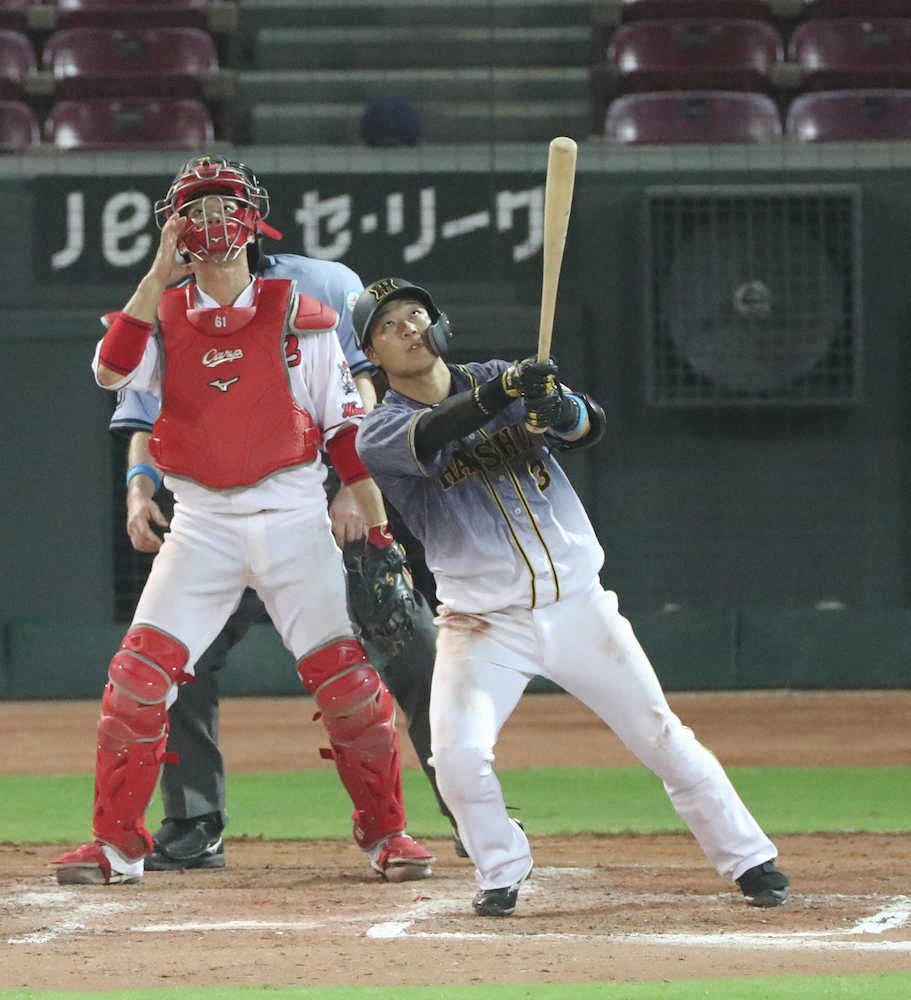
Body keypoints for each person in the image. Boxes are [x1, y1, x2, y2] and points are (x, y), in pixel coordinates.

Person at [351, 277, 791, 917]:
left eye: (416, 314)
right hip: (484, 625)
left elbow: (591, 428)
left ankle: (749, 859)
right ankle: (501, 866)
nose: (408, 328)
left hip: (580, 607)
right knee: (457, 757)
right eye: (388, 325)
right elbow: (434, 434)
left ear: (440, 324)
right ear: (373, 355)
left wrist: (557, 411)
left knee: (661, 734)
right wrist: (503, 395)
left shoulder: (501, 376)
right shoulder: (380, 431)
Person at [52, 158, 435, 887]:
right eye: (193, 210)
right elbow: (109, 371)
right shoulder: (157, 315)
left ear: (255, 217)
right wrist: (158, 273)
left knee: (348, 684)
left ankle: (386, 833)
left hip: (293, 513)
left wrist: (378, 530)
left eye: (224, 205)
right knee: (136, 681)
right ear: (173, 226)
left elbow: (343, 432)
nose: (211, 220)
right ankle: (117, 845)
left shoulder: (302, 310)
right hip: (201, 523)